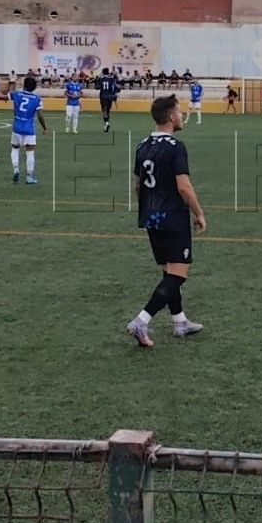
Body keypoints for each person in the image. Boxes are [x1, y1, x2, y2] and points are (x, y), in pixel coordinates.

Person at [126, 94, 205, 347]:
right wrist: (198, 212)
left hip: (150, 216)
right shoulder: (175, 147)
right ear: (171, 117)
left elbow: (138, 186)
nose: (181, 116)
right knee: (178, 275)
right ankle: (142, 320)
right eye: (179, 112)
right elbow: (184, 187)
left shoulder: (142, 145)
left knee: (168, 272)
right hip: (172, 216)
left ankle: (180, 321)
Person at [0, 74, 48, 184]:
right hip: (29, 128)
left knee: (15, 148)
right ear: (34, 87)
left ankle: (16, 170)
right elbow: (40, 115)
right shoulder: (37, 99)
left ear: (24, 85)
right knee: (30, 152)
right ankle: (29, 177)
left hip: (17, 127)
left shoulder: (16, 94)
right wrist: (45, 128)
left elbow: (1, 97)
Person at [98, 67, 119, 133]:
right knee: (107, 110)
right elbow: (116, 88)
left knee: (104, 110)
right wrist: (115, 95)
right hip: (110, 96)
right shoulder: (112, 79)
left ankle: (106, 122)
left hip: (103, 96)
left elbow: (97, 87)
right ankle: (106, 123)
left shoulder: (101, 79)